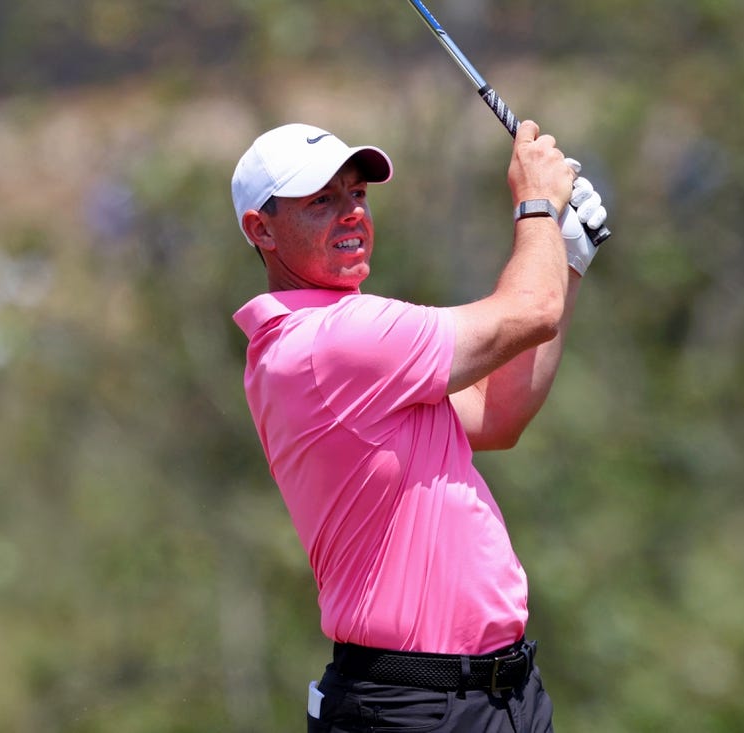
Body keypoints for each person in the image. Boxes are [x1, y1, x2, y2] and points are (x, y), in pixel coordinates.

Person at [229, 119, 608, 732]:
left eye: (357, 194)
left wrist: (565, 256)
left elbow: (497, 413)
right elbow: (529, 311)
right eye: (322, 200)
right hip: (410, 706)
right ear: (261, 229)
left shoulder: (343, 343)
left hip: (500, 695)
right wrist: (537, 206)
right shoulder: (330, 341)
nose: (351, 212)